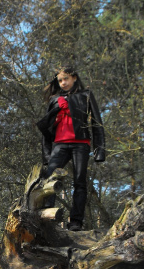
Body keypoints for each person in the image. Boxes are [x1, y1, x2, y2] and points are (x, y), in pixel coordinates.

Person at [36, 65, 105, 231]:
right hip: (59, 144)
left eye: (65, 79)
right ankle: (48, 216)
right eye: (60, 80)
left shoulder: (86, 95)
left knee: (80, 182)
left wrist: (99, 149)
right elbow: (45, 129)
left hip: (81, 144)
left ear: (74, 78)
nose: (63, 83)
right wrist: (46, 154)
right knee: (49, 178)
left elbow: (96, 123)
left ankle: (75, 222)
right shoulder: (54, 99)